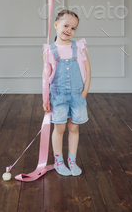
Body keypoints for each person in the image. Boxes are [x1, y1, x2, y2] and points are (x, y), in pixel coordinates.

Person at [42, 9, 91, 176]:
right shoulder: (50, 50)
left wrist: (84, 92)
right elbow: (45, 76)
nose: (68, 30)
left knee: (74, 128)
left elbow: (88, 70)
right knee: (60, 127)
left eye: (73, 28)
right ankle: (59, 161)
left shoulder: (79, 47)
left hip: (78, 95)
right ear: (56, 25)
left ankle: (72, 160)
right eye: (65, 26)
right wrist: (45, 99)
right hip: (58, 96)